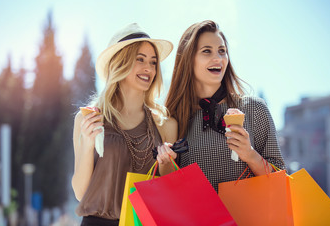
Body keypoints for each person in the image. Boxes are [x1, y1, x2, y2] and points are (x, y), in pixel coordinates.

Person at [72, 23, 178, 226]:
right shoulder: (88, 119)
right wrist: (87, 144)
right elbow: (80, 193)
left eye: (153, 62)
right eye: (140, 59)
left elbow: (170, 191)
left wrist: (166, 163)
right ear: (120, 63)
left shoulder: (165, 124)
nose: (149, 68)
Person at [165, 20, 286, 192]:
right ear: (188, 59)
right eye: (207, 51)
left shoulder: (254, 108)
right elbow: (169, 187)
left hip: (247, 218)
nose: (218, 58)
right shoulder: (175, 118)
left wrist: (250, 155)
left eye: (222, 51)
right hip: (198, 218)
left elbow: (280, 178)